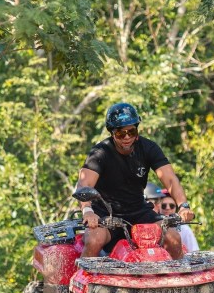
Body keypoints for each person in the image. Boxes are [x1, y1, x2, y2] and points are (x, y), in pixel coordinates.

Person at [76, 102, 194, 259]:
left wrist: (184, 206)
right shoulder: (100, 152)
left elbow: (171, 179)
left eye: (131, 131)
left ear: (137, 129)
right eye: (120, 134)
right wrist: (87, 211)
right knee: (93, 240)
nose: (127, 137)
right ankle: (80, 280)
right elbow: (84, 183)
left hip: (139, 212)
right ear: (112, 133)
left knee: (174, 238)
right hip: (106, 215)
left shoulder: (149, 148)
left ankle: (180, 281)